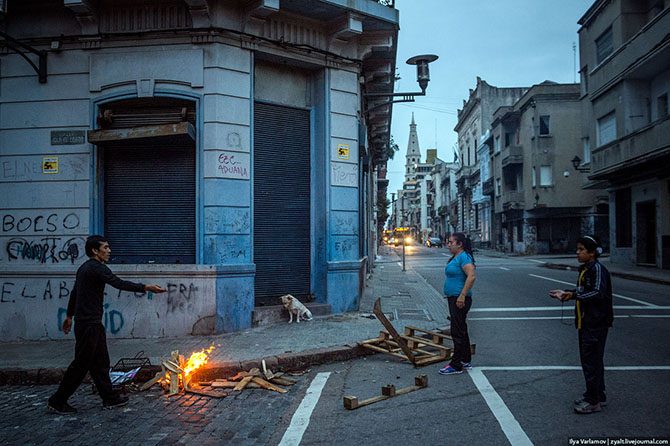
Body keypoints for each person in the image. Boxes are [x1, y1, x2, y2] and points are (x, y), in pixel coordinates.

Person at [47, 235, 166, 414]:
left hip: (90, 323)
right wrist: (146, 287)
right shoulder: (96, 268)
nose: (109, 251)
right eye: (106, 247)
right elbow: (118, 283)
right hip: (89, 324)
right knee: (80, 365)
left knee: (100, 363)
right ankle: (58, 400)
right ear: (95, 250)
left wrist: (70, 316)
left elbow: (74, 293)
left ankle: (109, 398)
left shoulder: (84, 268)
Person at [549, 235, 613, 414]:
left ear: (592, 253)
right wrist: (567, 293)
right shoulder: (587, 269)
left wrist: (573, 295)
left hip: (595, 323)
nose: (577, 253)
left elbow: (598, 293)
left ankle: (593, 401)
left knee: (591, 362)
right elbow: (584, 290)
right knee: (593, 361)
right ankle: (597, 395)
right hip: (586, 321)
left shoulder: (597, 269)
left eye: (581, 250)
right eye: (577, 249)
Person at [439, 232, 476, 375]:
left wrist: (461, 295)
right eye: (448, 242)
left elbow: (471, 276)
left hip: (459, 299)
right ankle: (465, 360)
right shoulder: (457, 257)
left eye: (451, 242)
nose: (448, 245)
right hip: (454, 297)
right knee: (461, 329)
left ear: (459, 244)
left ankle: (456, 364)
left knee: (457, 331)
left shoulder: (464, 257)